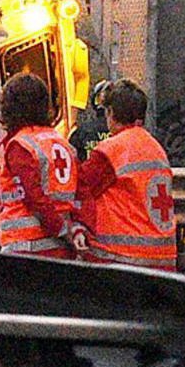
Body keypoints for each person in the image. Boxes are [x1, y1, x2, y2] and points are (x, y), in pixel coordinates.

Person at [75, 79, 177, 268]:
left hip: (121, 258)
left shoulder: (111, 150)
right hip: (164, 258)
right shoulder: (156, 148)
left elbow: (80, 190)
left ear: (111, 113)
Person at [0, 71, 78, 257]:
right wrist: (73, 232)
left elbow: (33, 197)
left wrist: (61, 229)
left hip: (26, 246)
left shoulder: (20, 146)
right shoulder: (62, 143)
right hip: (60, 248)